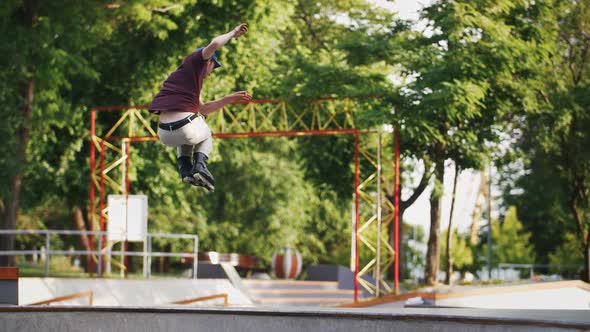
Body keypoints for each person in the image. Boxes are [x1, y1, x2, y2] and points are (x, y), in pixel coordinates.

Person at [149, 23, 252, 192]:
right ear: (209, 62)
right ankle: (200, 166)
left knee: (194, 125)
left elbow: (202, 108)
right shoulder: (196, 60)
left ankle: (185, 169)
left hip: (165, 134)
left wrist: (228, 99)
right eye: (213, 67)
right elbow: (215, 44)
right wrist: (233, 33)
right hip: (184, 127)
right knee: (205, 132)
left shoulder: (182, 79)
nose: (211, 73)